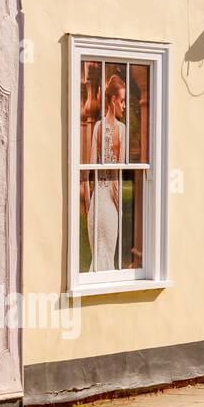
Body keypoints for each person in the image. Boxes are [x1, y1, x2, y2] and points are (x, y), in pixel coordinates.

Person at [86, 74, 125, 272]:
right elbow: (96, 167)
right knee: (103, 253)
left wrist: (90, 200)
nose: (124, 106)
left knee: (104, 252)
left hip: (104, 201)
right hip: (105, 203)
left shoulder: (106, 128)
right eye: (123, 100)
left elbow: (93, 169)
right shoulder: (104, 128)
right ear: (113, 100)